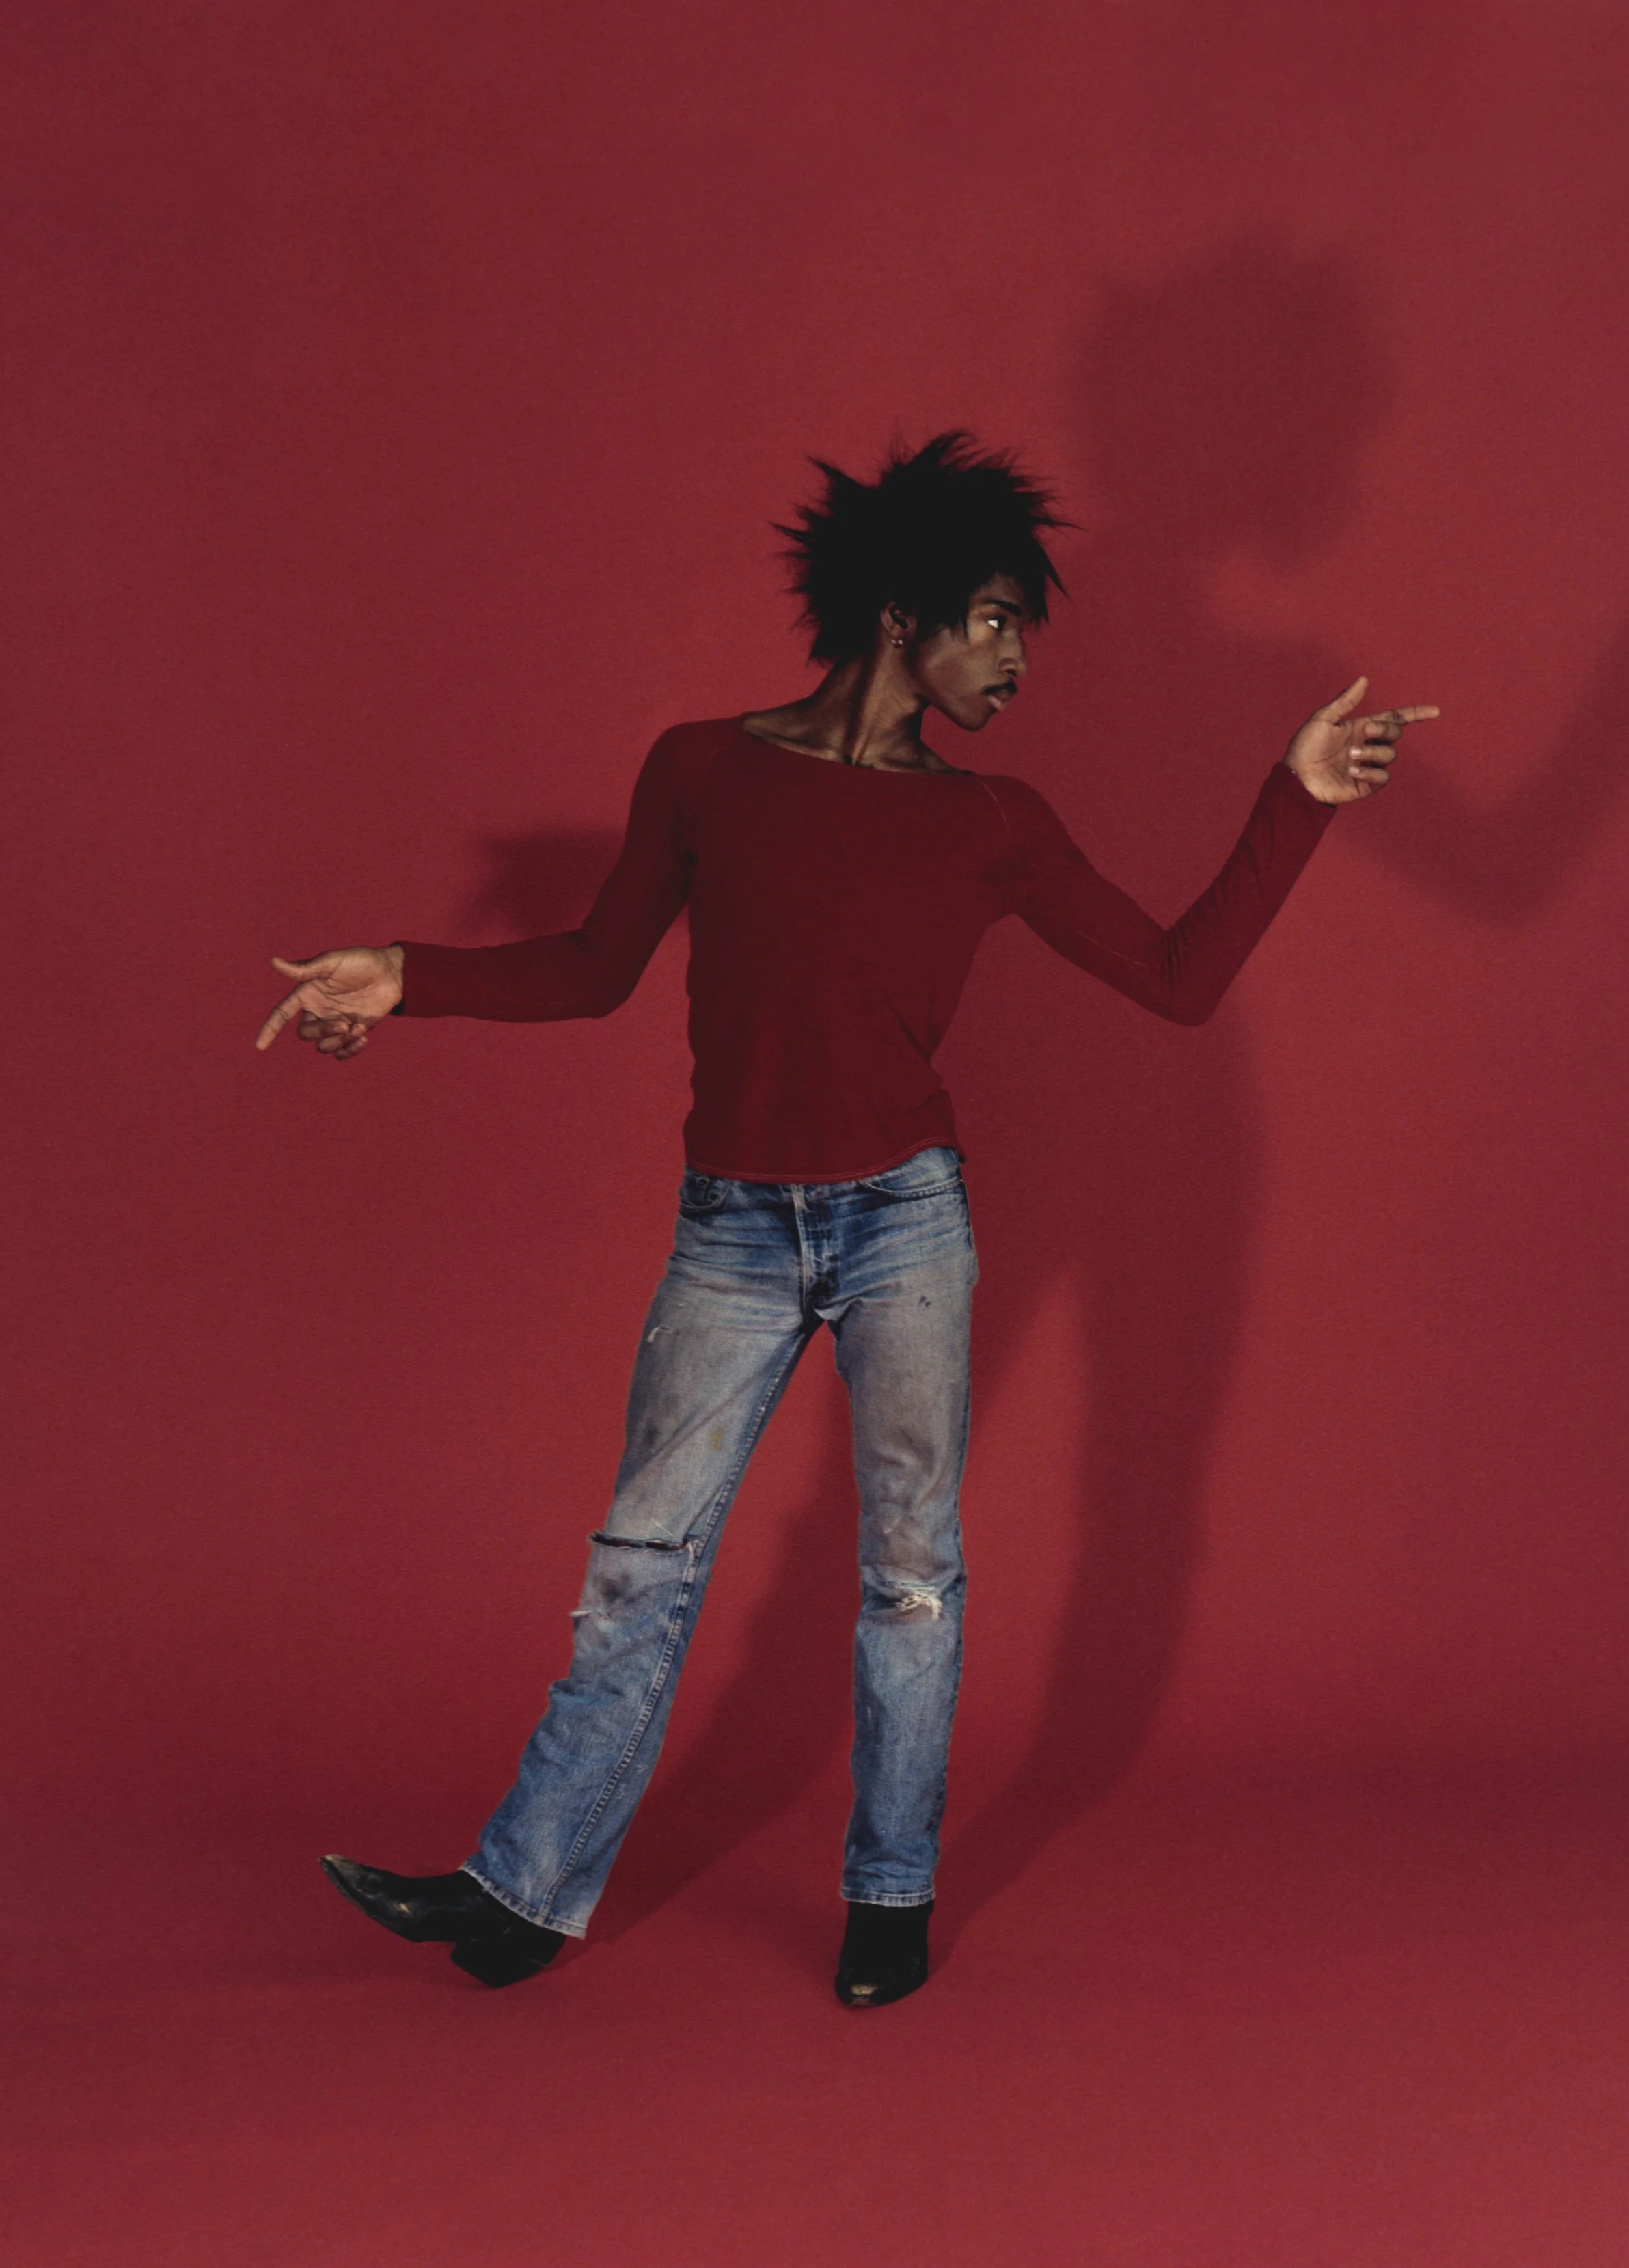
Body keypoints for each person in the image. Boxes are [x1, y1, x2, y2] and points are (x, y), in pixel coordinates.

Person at [256, 432, 1437, 2004]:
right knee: (641, 1561)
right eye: (995, 620)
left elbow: (1176, 978)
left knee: (909, 1570)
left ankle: (888, 1893)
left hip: (903, 1226)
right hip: (732, 1230)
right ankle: (521, 1895)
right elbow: (593, 971)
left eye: (1022, 630)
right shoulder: (703, 769)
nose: (1015, 659)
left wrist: (1295, 798)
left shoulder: (991, 820)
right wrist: (405, 975)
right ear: (900, 613)